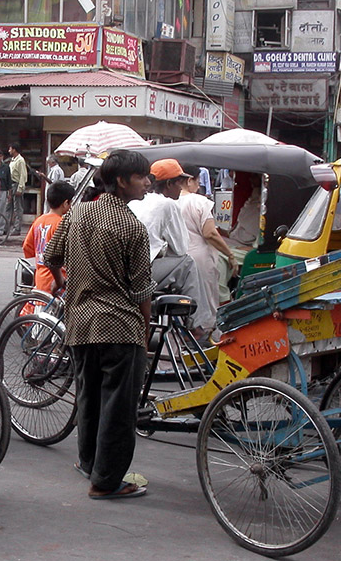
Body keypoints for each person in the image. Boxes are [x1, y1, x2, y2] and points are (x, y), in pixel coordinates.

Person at [43, 150, 153, 500]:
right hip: (120, 326)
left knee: (89, 397)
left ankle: (89, 463)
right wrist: (145, 329)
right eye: (141, 177)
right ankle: (105, 481)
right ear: (121, 182)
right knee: (118, 407)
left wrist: (64, 284)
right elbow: (141, 291)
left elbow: (50, 257)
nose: (147, 183)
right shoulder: (132, 227)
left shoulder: (77, 213)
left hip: (80, 324)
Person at [128, 158, 214, 334]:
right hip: (141, 271)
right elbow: (181, 247)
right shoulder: (167, 204)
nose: (180, 189)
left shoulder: (136, 201)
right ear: (169, 184)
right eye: (179, 184)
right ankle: (195, 326)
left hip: (126, 268)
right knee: (187, 262)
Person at [178, 179, 237, 335]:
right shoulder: (199, 201)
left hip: (179, 257)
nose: (199, 186)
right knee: (206, 299)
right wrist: (230, 255)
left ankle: (190, 334)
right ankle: (206, 334)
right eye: (198, 182)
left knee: (186, 299)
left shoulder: (169, 202)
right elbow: (210, 233)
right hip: (200, 257)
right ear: (190, 180)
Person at [23, 180, 74, 298]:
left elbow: (28, 247)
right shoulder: (62, 223)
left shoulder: (39, 221)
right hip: (57, 280)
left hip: (40, 279)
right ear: (65, 203)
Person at [6, 142, 27, 236]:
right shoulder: (12, 160)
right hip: (11, 185)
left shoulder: (20, 160)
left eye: (10, 149)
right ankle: (6, 227)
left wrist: (20, 188)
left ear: (14, 149)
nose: (9, 151)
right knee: (8, 207)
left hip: (17, 184)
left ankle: (17, 228)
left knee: (17, 208)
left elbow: (23, 175)